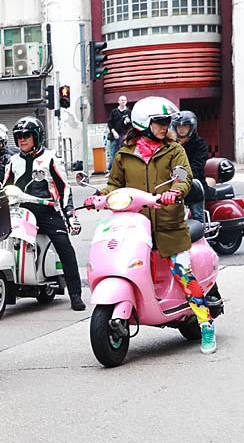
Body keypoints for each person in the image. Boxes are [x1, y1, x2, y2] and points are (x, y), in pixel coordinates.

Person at [85, 95, 215, 354]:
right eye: (160, 122)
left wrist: (175, 192)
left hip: (169, 225)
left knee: (183, 272)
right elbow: (114, 185)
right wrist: (100, 196)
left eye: (167, 122)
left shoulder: (174, 150)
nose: (166, 126)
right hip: (135, 226)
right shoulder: (124, 154)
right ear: (144, 123)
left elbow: (183, 177)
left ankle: (205, 324)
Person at [3, 117, 86, 311]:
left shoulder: (51, 158)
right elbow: (4, 188)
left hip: (46, 211)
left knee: (64, 246)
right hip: (20, 211)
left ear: (37, 137)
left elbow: (64, 189)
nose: (22, 140)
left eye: (26, 136)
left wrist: (70, 215)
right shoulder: (13, 161)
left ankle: (75, 293)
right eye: (18, 137)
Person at [172, 110, 208, 222]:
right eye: (179, 126)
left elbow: (196, 168)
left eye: (185, 126)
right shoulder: (172, 145)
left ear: (191, 127)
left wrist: (181, 177)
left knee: (198, 218)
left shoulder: (200, 144)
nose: (181, 129)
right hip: (174, 185)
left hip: (194, 184)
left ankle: (203, 237)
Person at [107, 96, 130, 166]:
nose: (123, 101)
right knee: (113, 154)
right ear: (118, 101)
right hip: (115, 136)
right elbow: (110, 123)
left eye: (124, 100)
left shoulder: (129, 112)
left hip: (125, 136)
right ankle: (111, 170)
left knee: (125, 154)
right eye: (121, 100)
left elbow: (132, 125)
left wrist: (128, 123)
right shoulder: (114, 112)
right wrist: (114, 132)